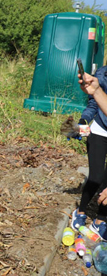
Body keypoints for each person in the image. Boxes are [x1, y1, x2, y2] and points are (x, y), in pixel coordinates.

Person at [73, 69, 107, 238]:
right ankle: (81, 210)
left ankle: (100, 221)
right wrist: (83, 121)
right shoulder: (101, 75)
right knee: (96, 177)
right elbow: (94, 104)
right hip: (101, 130)